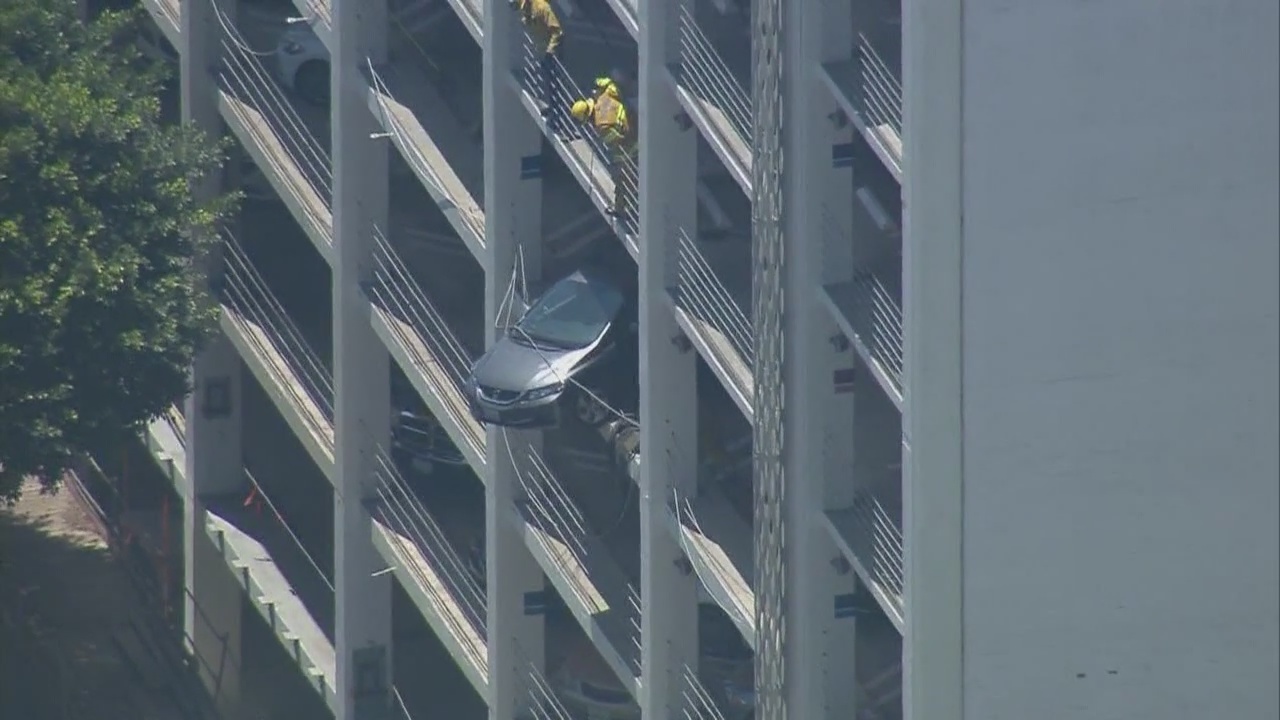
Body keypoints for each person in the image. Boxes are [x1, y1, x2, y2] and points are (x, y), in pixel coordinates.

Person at [569, 77, 637, 218]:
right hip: (634, 115)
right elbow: (608, 83)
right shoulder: (603, 96)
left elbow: (619, 141)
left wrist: (618, 159)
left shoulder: (602, 126)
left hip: (631, 143)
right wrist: (600, 82)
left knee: (621, 180)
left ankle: (620, 210)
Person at [510, 0, 563, 119]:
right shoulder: (526, 12)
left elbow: (557, 31)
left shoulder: (542, 8)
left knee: (554, 83)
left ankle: (557, 113)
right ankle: (552, 108)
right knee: (547, 81)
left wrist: (550, 51)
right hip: (542, 52)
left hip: (552, 53)